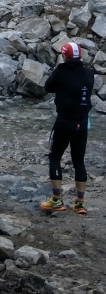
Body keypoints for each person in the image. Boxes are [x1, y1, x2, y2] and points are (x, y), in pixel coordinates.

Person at [40, 42, 94, 214]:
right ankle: (80, 203)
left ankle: (56, 199)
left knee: (55, 157)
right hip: (82, 123)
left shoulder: (60, 71)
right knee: (79, 160)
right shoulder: (88, 73)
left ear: (64, 56)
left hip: (64, 121)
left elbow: (48, 87)